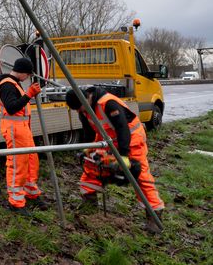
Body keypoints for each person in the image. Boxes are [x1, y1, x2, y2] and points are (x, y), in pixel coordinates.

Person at [65, 87, 164, 233]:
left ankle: (154, 214)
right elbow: (89, 132)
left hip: (131, 140)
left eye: (79, 108)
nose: (79, 111)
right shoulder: (83, 110)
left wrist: (123, 155)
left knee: (140, 175)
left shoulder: (108, 103)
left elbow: (122, 127)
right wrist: (87, 150)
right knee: (91, 163)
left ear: (86, 98)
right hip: (108, 140)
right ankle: (89, 200)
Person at [0, 57, 46, 215]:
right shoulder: (7, 85)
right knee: (18, 164)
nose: (28, 78)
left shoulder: (14, 84)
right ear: (23, 73)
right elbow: (11, 108)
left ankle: (30, 191)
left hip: (22, 128)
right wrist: (29, 94)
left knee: (31, 160)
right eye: (28, 74)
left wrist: (28, 94)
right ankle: (16, 201)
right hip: (14, 129)